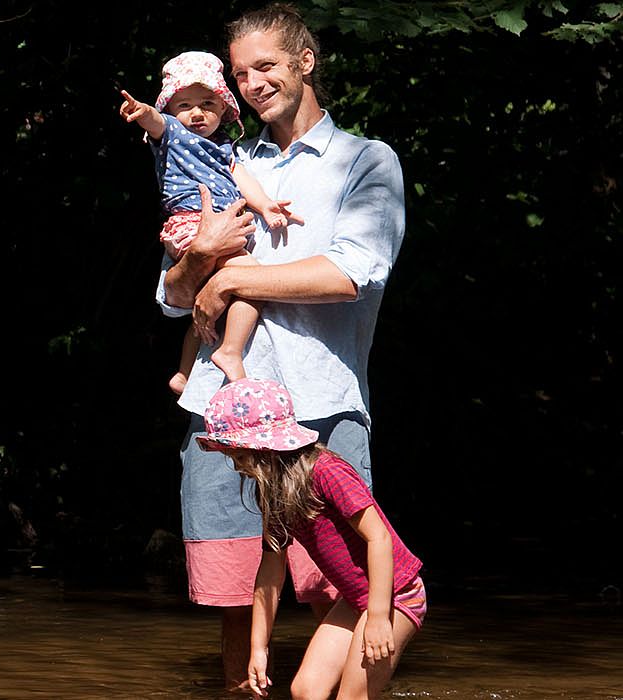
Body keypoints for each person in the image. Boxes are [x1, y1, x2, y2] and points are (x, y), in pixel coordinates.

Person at [153, 3, 407, 691]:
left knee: (347, 591)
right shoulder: (226, 161)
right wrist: (200, 257)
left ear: (305, 61)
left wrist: (234, 274)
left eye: (266, 65)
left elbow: (354, 273)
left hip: (322, 407)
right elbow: (173, 295)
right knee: (236, 599)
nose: (255, 81)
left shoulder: (364, 160)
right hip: (225, 417)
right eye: (242, 73)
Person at [195, 378, 425, 699]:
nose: (234, 465)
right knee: (306, 690)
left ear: (264, 449)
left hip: (395, 595)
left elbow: (379, 539)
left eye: (237, 454)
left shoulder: (326, 471)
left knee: (352, 697)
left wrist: (376, 618)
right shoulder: (273, 492)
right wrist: (258, 648)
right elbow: (271, 573)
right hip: (356, 597)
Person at [118, 50, 301, 393]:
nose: (196, 113)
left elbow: (242, 178)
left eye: (207, 104)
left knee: (209, 302)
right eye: (184, 105)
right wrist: (144, 113)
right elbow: (157, 124)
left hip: (212, 224)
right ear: (171, 109)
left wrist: (265, 207)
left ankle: (184, 373)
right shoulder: (172, 134)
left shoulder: (223, 149)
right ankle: (230, 351)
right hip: (192, 222)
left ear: (223, 110)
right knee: (252, 279)